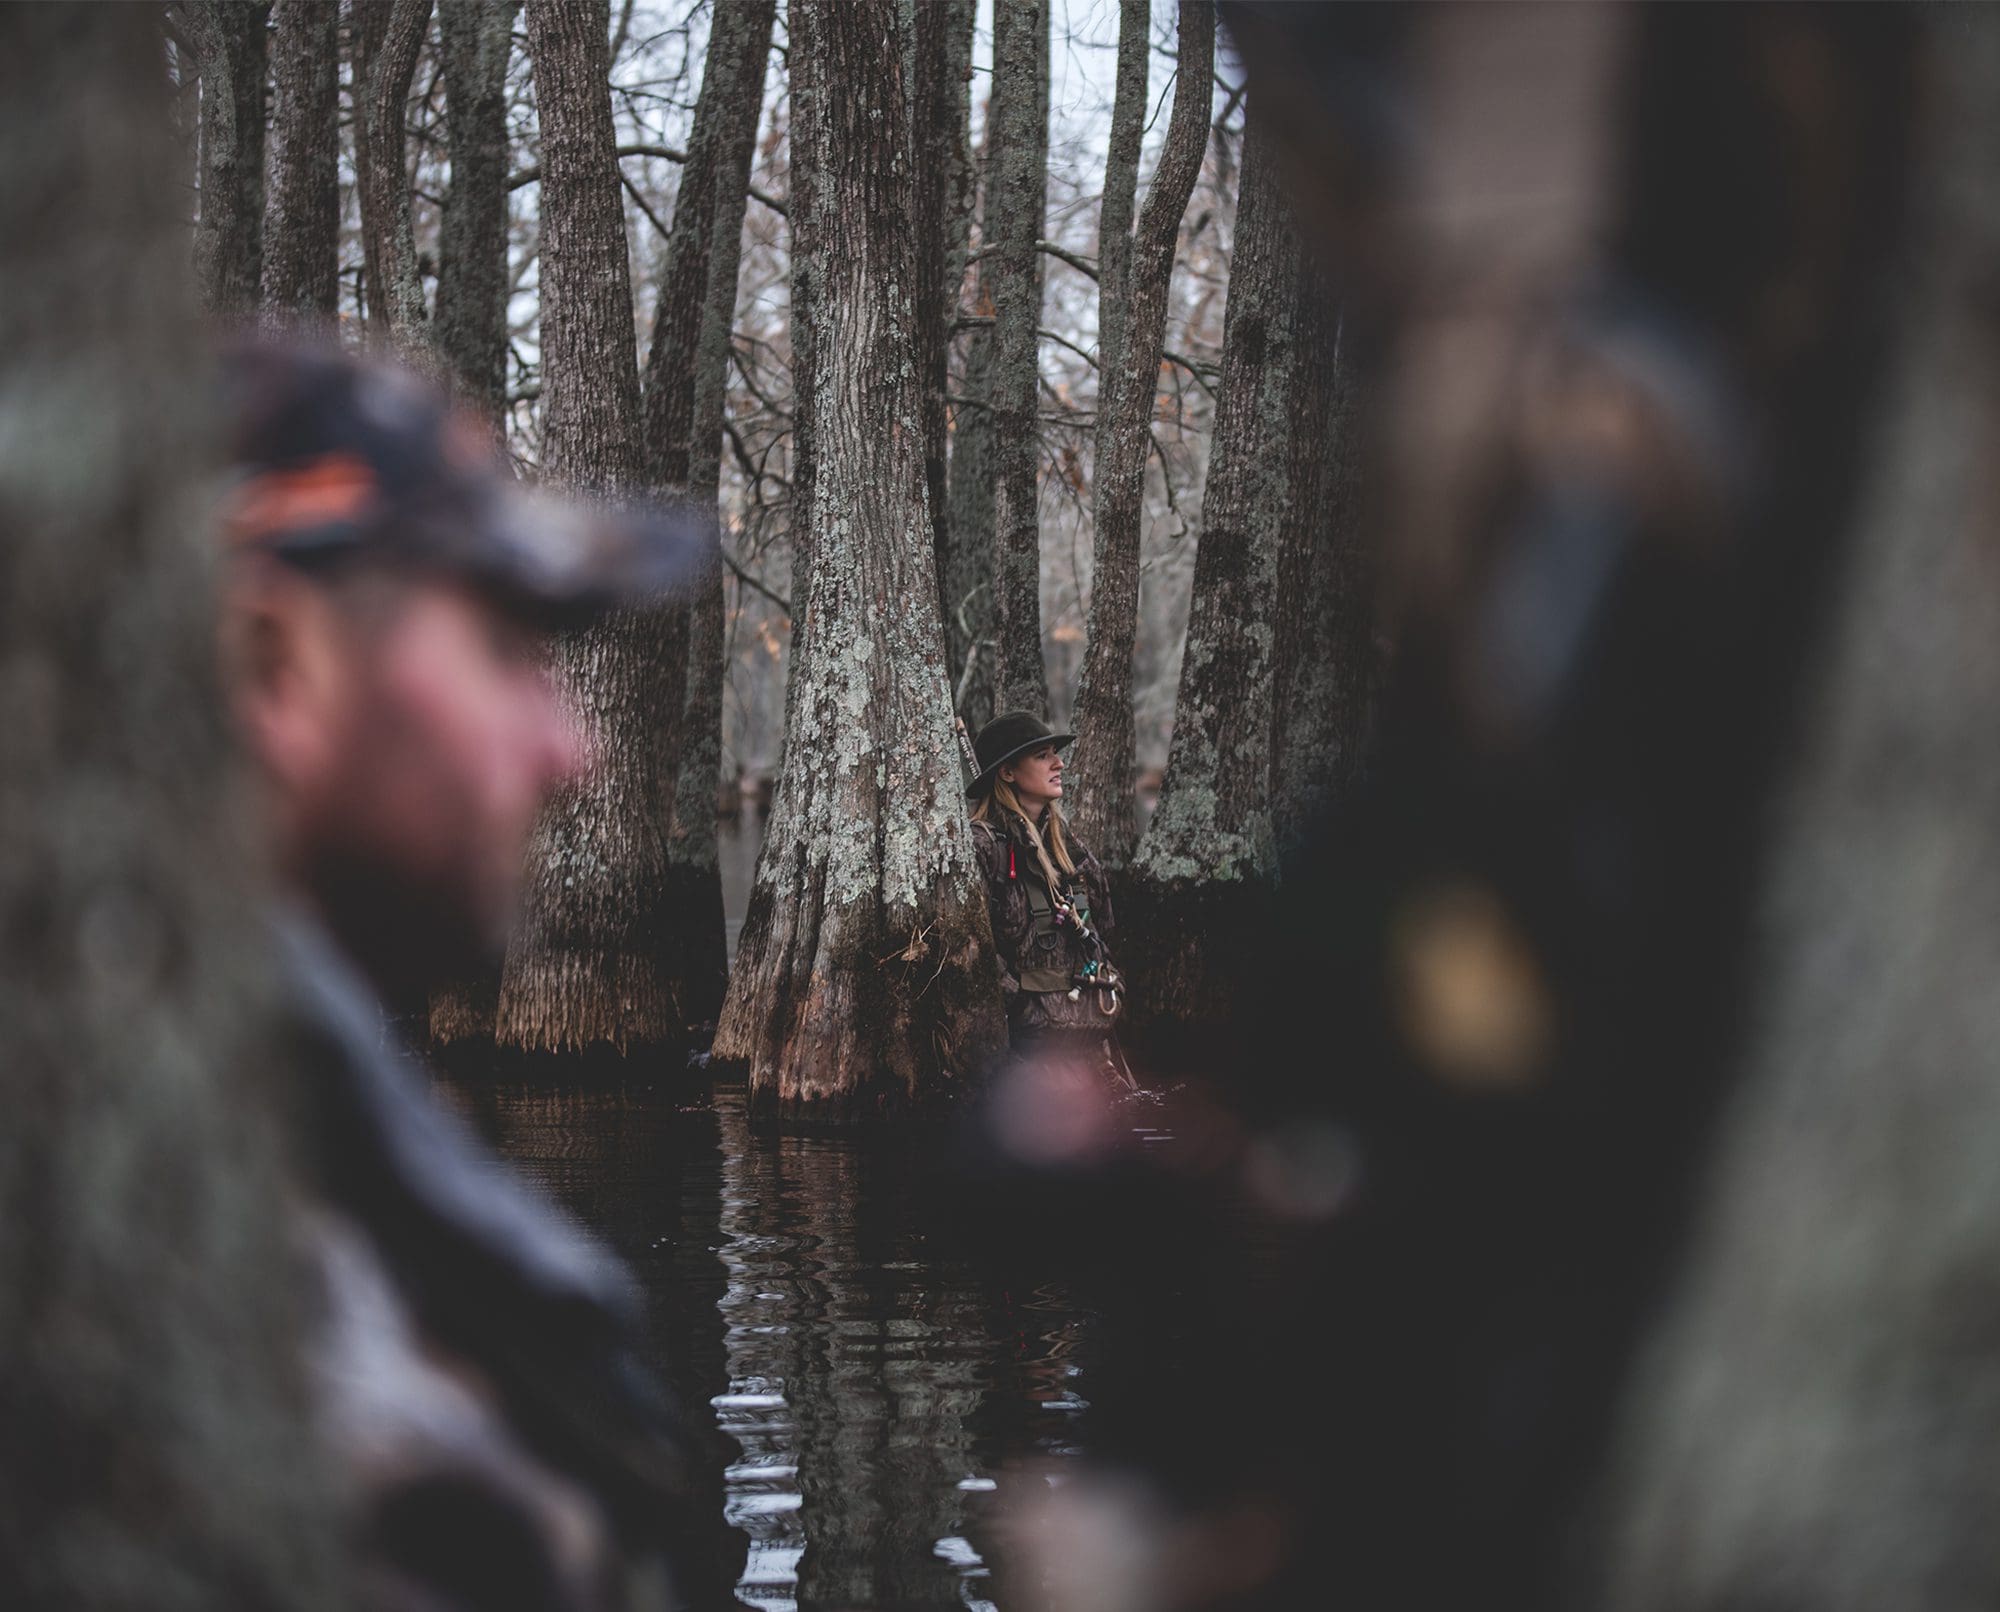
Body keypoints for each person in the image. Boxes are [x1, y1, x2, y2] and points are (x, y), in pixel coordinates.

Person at [214, 340, 732, 1612]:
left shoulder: (282, 1125)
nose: (575, 750)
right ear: (270, 666)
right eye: (509, 649)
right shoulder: (188, 1278)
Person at [965, 711, 1132, 1087]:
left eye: (1054, 753)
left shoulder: (1073, 852)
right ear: (1008, 772)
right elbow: (972, 951)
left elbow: (1102, 931)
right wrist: (1022, 1005)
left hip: (1090, 1053)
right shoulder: (982, 848)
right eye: (1042, 756)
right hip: (1023, 1060)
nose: (1058, 763)